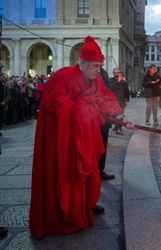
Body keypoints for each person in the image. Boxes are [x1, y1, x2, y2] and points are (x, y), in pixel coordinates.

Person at [29, 36, 135, 239]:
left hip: (84, 139)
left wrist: (123, 118)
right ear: (82, 62)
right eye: (95, 66)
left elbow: (106, 101)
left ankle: (85, 205)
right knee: (68, 175)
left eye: (100, 66)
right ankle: (67, 214)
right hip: (64, 140)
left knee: (89, 173)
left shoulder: (95, 81)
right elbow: (54, 104)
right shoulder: (63, 76)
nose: (98, 70)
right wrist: (85, 106)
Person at [108, 68, 130, 134]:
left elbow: (126, 91)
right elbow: (110, 88)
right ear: (113, 73)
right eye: (115, 72)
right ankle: (110, 128)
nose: (116, 74)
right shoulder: (110, 80)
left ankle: (118, 128)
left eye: (118, 73)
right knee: (112, 115)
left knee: (120, 115)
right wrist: (118, 81)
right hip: (112, 101)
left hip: (121, 100)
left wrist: (127, 100)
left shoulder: (122, 81)